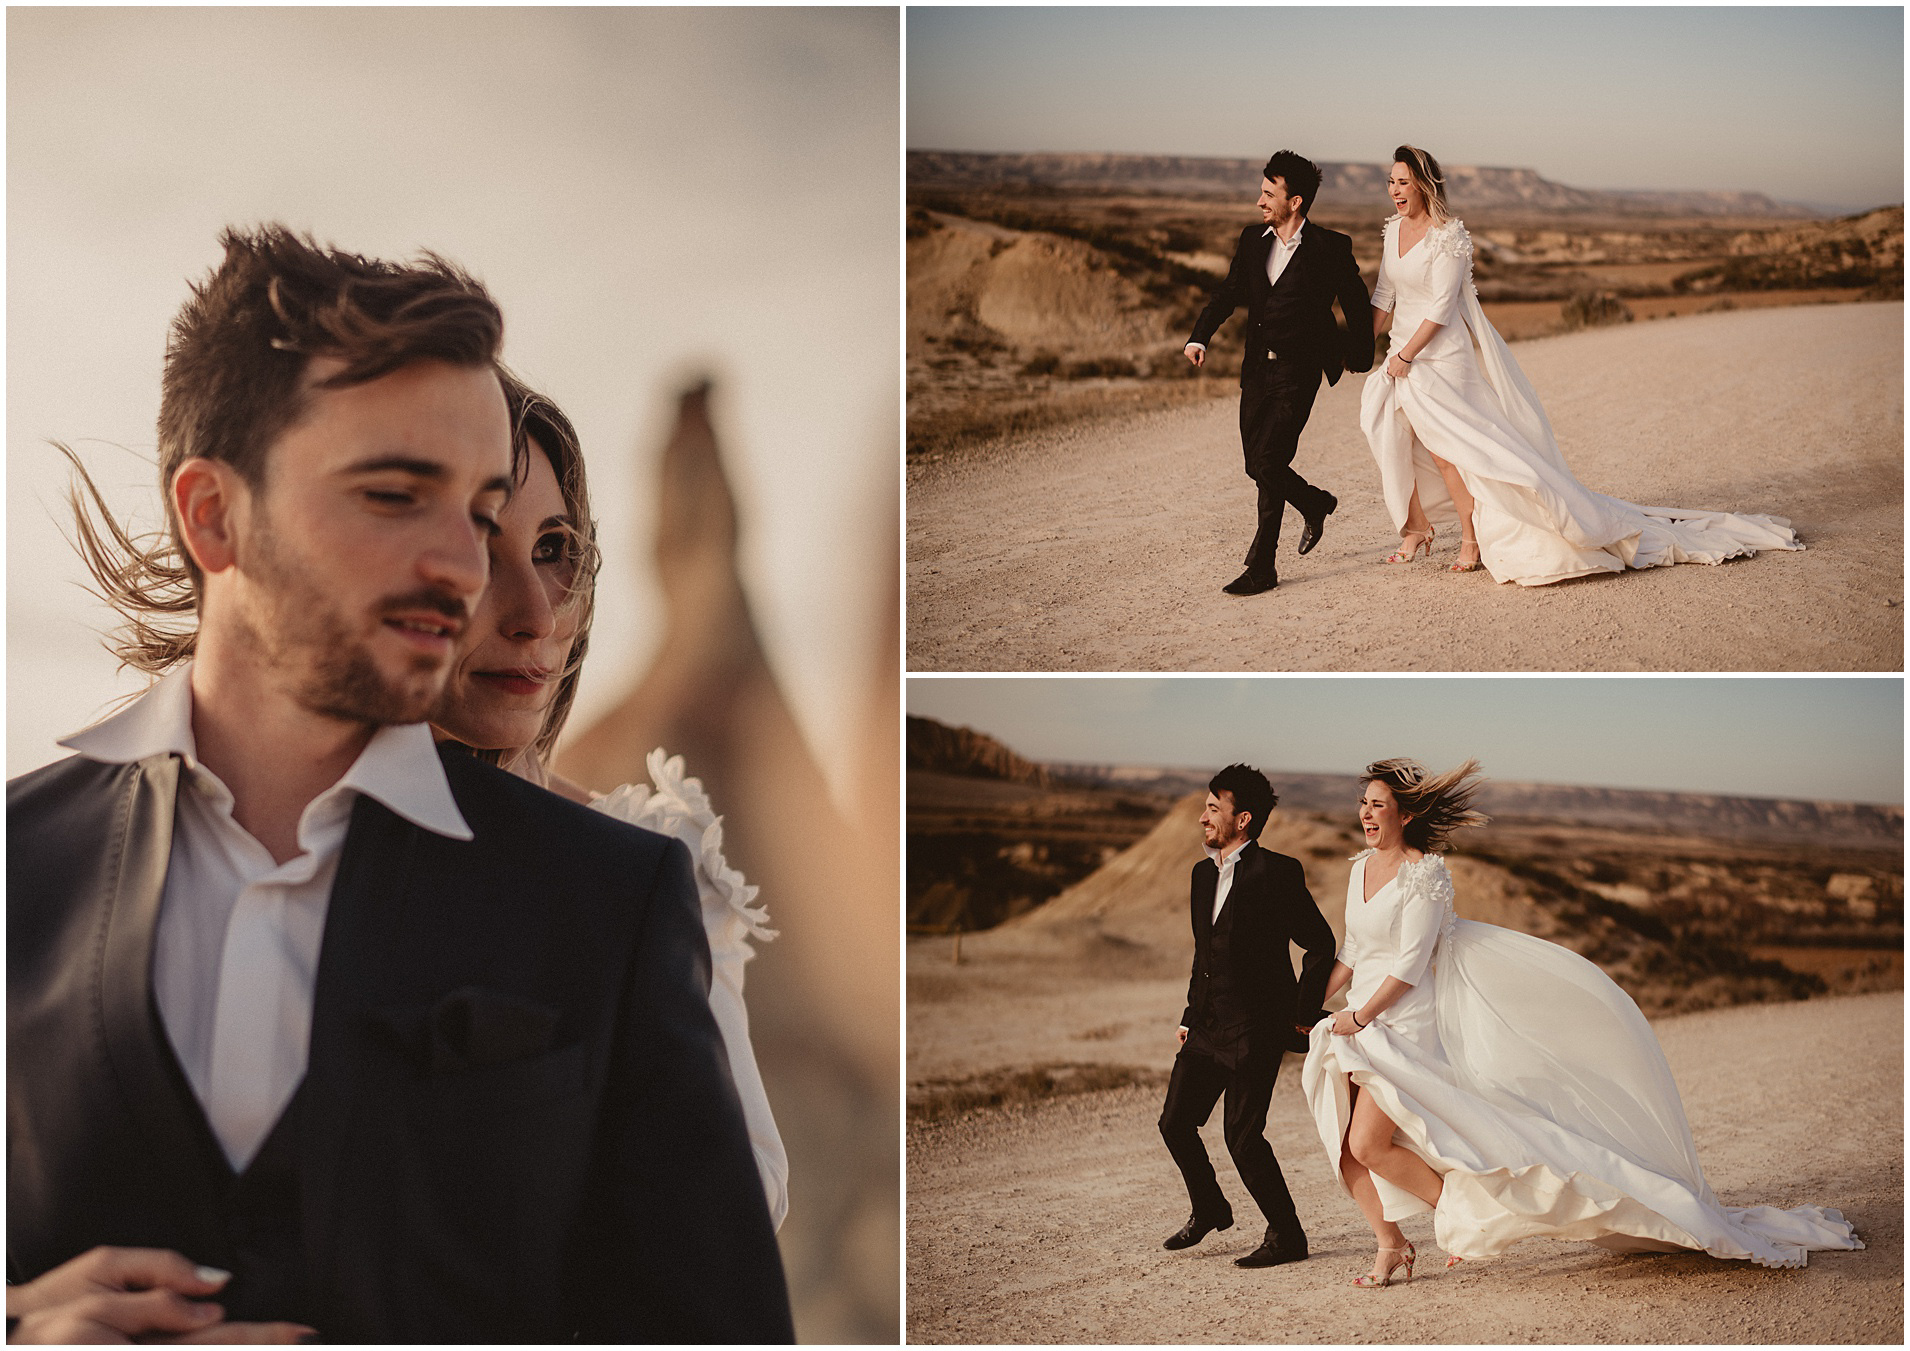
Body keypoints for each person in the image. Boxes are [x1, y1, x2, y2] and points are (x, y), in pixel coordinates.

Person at [7, 225, 793, 1343]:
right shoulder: (14, 865)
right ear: (212, 515)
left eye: (481, 513)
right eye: (395, 495)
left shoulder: (613, 896)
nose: (468, 571)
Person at [427, 370, 789, 1229]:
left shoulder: (651, 859)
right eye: (479, 547)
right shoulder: (293, 841)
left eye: (555, 548)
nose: (533, 615)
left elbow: (747, 1191)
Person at [1300, 758, 1864, 1287]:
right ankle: (1391, 1241)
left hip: (1400, 1022)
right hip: (1359, 1019)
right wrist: (1313, 1006)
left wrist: (1361, 1013)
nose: (1366, 814)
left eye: (1377, 805)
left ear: (1408, 813)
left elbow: (1410, 964)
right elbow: (1353, 951)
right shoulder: (1360, 871)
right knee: (1349, 1144)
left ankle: (1470, 1215)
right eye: (1364, 804)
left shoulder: (1425, 875)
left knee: (1371, 1142)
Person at [1364, 144, 1803, 581]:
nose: (1394, 190)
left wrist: (1405, 355)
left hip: (1438, 357)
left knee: (1450, 452)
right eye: (1391, 181)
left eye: (1403, 182)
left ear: (1424, 184)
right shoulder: (1392, 231)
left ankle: (1470, 537)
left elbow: (1441, 307)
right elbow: (1385, 294)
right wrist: (1366, 342)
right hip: (1402, 353)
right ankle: (1417, 528)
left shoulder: (1448, 235)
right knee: (1389, 432)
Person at [1158, 765, 1337, 1269]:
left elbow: (1319, 944)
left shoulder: (1276, 873)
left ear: (1244, 819)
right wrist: (1191, 1014)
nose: (1201, 817)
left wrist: (1301, 1015)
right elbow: (1204, 955)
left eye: (1214, 808)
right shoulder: (1200, 875)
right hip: (1208, 1027)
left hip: (1256, 1029)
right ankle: (1210, 1206)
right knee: (1175, 1122)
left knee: (1241, 1137)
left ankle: (1287, 1235)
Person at [1184, 150, 1374, 596]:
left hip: (1298, 372)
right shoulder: (1253, 240)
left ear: (1296, 201)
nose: (1258, 201)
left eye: (1269, 194)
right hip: (1255, 372)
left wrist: (1358, 354)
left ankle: (1263, 568)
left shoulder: (1330, 247)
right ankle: (1314, 502)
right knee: (1260, 464)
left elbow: (1356, 303)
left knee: (1267, 460)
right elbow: (1228, 292)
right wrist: (1200, 336)